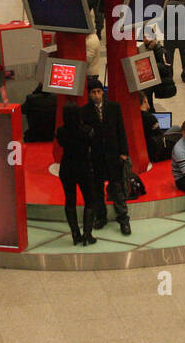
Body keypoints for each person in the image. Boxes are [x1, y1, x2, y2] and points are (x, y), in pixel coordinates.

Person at [79, 80, 132, 235]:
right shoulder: (85, 111)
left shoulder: (114, 107)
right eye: (93, 92)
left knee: (117, 188)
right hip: (96, 156)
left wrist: (124, 152)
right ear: (89, 94)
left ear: (103, 92)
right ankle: (101, 217)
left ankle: (123, 219)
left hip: (113, 154)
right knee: (97, 189)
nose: (96, 95)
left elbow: (121, 130)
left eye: (99, 92)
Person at [56, 104, 100, 246]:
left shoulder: (60, 132)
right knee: (90, 200)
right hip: (83, 168)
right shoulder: (87, 131)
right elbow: (95, 147)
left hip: (66, 168)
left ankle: (75, 234)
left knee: (70, 201)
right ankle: (88, 234)